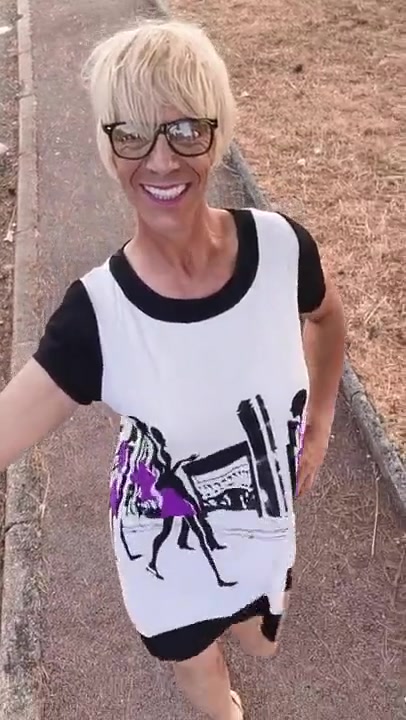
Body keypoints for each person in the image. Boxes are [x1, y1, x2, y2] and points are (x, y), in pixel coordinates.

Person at [0, 19, 345, 720]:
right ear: (108, 146)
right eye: (132, 134)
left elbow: (327, 320)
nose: (160, 161)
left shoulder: (281, 249)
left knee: (260, 639)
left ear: (219, 133)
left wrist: (322, 416)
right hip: (160, 535)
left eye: (186, 129)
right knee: (195, 661)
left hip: (263, 516)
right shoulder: (98, 316)